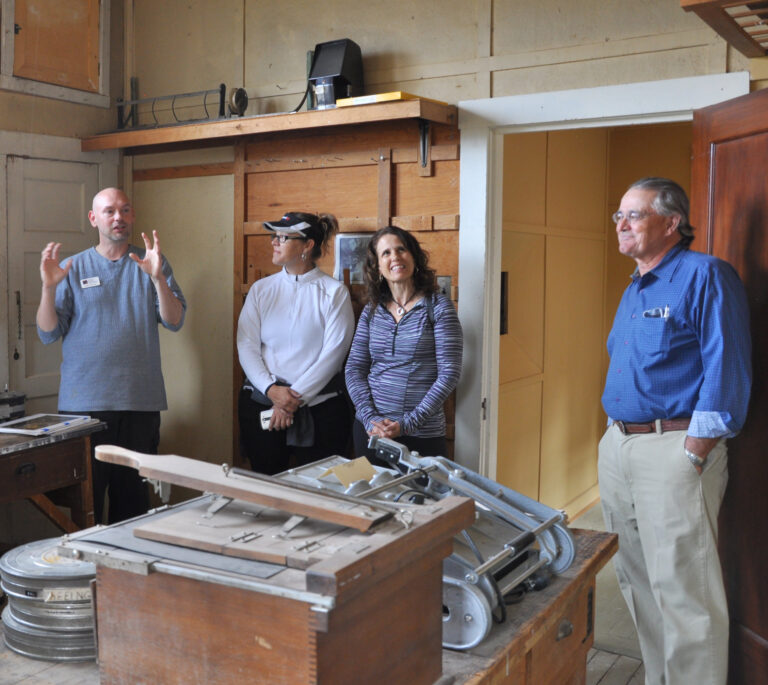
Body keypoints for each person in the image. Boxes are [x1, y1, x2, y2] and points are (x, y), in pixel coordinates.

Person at [599, 177, 751, 685]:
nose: (621, 224)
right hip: (620, 446)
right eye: (618, 216)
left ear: (671, 223)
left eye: (633, 215)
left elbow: (727, 365)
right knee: (638, 581)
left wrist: (694, 450)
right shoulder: (635, 284)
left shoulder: (706, 275)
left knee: (685, 591)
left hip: (673, 450)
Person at [36, 187, 186, 525]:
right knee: (85, 504)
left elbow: (174, 320)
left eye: (125, 210)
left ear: (132, 216)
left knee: (133, 508)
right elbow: (48, 332)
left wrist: (158, 277)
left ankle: (126, 576)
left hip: (139, 404)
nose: (118, 217)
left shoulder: (150, 264)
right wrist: (48, 288)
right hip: (83, 406)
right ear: (94, 218)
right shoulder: (73, 267)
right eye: (109, 211)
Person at [237, 211, 354, 475]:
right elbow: (246, 345)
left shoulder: (334, 292)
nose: (274, 242)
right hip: (262, 401)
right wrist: (271, 390)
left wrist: (292, 399)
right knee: (265, 486)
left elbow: (334, 354)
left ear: (307, 245)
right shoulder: (261, 289)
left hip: (320, 408)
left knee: (320, 491)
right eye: (274, 236)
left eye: (283, 237)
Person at [345, 226, 463, 462]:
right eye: (386, 253)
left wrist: (407, 424)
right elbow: (354, 367)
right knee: (374, 498)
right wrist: (370, 419)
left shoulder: (438, 307)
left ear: (415, 257)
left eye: (401, 249)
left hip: (422, 435)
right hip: (371, 433)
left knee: (425, 499)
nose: (395, 257)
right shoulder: (372, 310)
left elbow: (449, 373)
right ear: (377, 267)